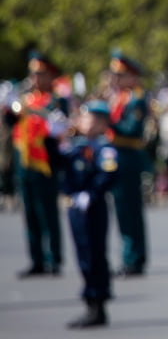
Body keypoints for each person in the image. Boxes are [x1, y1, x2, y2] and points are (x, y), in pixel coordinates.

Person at [3, 51, 70, 278]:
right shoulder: (26, 99)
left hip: (46, 164)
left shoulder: (56, 100)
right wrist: (9, 106)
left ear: (50, 75)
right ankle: (37, 259)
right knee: (29, 213)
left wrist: (26, 110)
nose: (34, 78)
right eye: (32, 74)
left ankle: (54, 258)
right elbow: (11, 122)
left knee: (47, 212)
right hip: (25, 163)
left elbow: (57, 122)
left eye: (40, 74)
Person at [61, 100, 119, 328]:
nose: (86, 122)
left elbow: (109, 174)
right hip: (75, 206)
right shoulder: (76, 146)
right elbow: (58, 164)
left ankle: (97, 304)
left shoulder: (104, 148)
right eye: (84, 117)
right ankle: (91, 302)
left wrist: (92, 194)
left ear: (103, 123)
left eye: (92, 118)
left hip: (93, 207)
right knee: (82, 254)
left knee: (94, 254)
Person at [105, 51, 150, 277]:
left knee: (131, 212)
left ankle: (135, 258)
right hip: (116, 159)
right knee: (122, 212)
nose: (114, 79)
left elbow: (132, 130)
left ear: (132, 77)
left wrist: (107, 123)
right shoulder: (119, 98)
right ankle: (128, 257)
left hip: (129, 158)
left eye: (120, 75)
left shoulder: (137, 99)